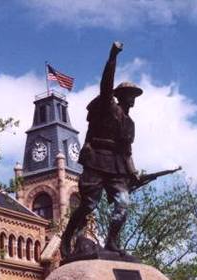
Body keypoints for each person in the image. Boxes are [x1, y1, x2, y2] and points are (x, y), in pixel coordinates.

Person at [60, 41, 143, 259]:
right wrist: (113, 56)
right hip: (97, 159)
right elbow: (106, 82)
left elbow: (127, 152)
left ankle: (112, 243)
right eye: (129, 94)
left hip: (117, 166)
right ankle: (68, 237)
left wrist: (133, 172)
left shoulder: (130, 124)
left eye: (134, 95)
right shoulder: (108, 106)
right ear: (120, 95)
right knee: (88, 204)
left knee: (123, 204)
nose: (132, 98)